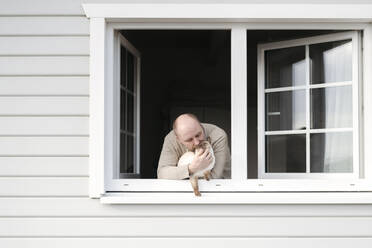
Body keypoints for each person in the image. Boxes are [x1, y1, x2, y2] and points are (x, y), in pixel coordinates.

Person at [157, 113, 231, 179]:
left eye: (198, 135)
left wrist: (180, 174)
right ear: (178, 139)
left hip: (221, 187)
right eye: (189, 140)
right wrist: (191, 168)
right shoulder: (171, 139)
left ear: (201, 126)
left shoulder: (218, 135)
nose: (196, 142)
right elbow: (162, 174)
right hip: (183, 188)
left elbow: (215, 177)